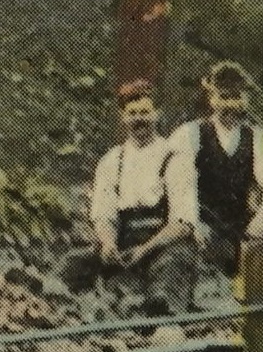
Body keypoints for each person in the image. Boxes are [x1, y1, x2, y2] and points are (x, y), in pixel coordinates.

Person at [168, 61, 263, 297]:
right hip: (207, 224)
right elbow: (181, 186)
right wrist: (193, 223)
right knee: (204, 247)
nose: (231, 104)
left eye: (236, 97)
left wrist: (261, 218)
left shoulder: (256, 136)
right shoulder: (190, 134)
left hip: (241, 222)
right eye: (224, 97)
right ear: (211, 99)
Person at [64, 78, 199, 314]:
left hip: (163, 245)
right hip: (124, 244)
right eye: (132, 113)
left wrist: (145, 250)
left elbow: (183, 224)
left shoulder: (175, 158)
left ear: (157, 113)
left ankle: (156, 314)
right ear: (123, 117)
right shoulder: (111, 161)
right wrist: (108, 244)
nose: (139, 119)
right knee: (74, 264)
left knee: (169, 274)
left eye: (145, 112)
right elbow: (103, 213)